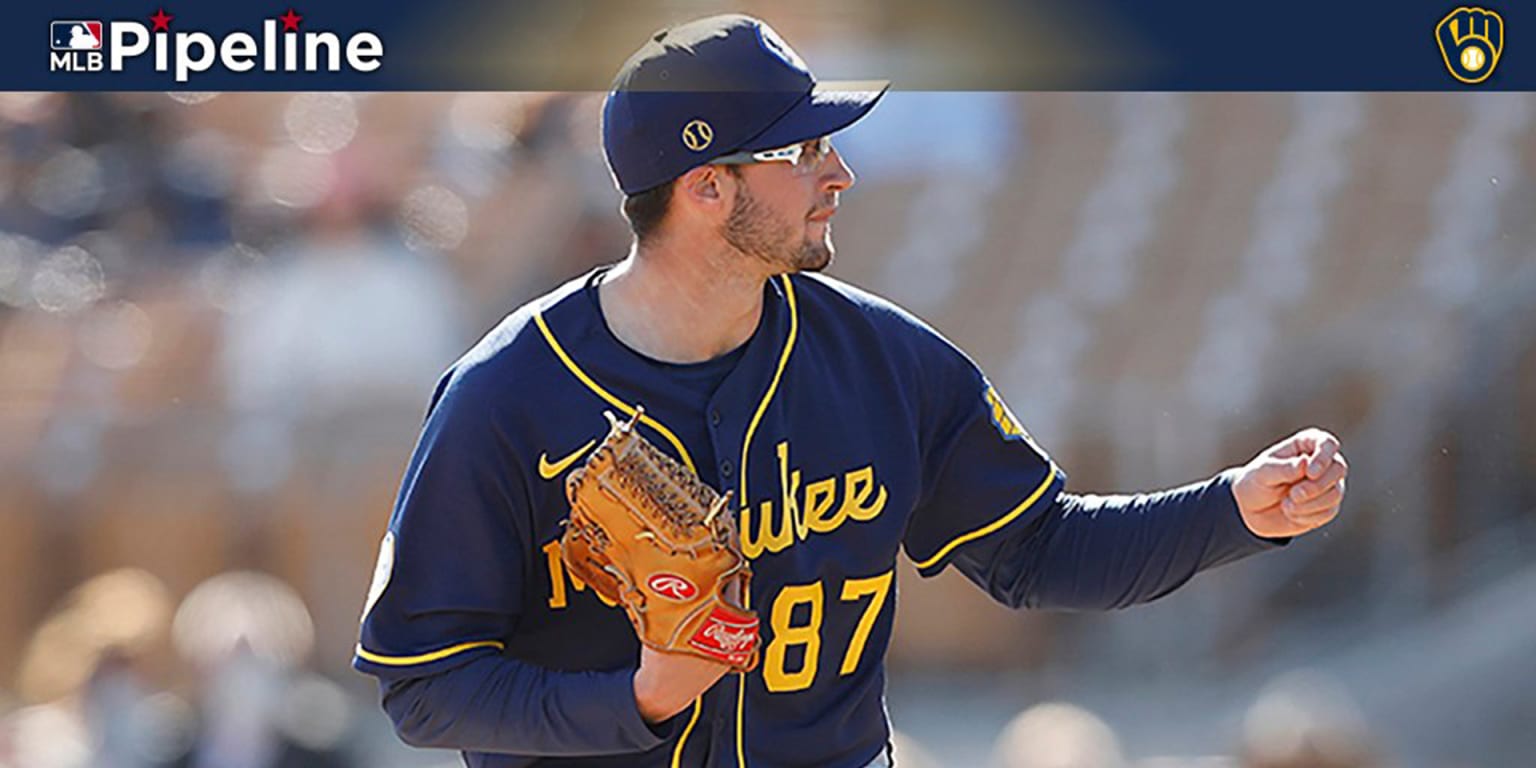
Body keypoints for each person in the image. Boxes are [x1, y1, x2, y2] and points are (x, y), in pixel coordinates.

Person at [352, 14, 1349, 768]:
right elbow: (422, 684)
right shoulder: (508, 396)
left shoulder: (885, 361)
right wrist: (639, 699)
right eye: (805, 150)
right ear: (707, 188)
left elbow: (1042, 549)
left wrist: (1234, 511)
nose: (840, 173)